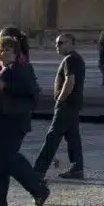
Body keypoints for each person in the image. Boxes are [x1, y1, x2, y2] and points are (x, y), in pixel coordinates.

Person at [0, 33, 47, 206]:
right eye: (1, 49)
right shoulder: (1, 70)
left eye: (8, 49)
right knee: (0, 163)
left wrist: (4, 86)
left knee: (8, 159)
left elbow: (31, 93)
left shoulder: (18, 69)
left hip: (13, 124)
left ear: (16, 53)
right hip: (0, 124)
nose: (4, 52)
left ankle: (38, 189)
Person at [34, 33, 86, 182]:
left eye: (60, 43)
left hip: (67, 105)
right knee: (73, 138)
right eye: (56, 43)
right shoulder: (77, 59)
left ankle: (38, 170)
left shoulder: (70, 59)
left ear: (70, 42)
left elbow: (70, 82)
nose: (57, 46)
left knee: (52, 137)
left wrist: (60, 99)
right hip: (74, 105)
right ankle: (77, 168)